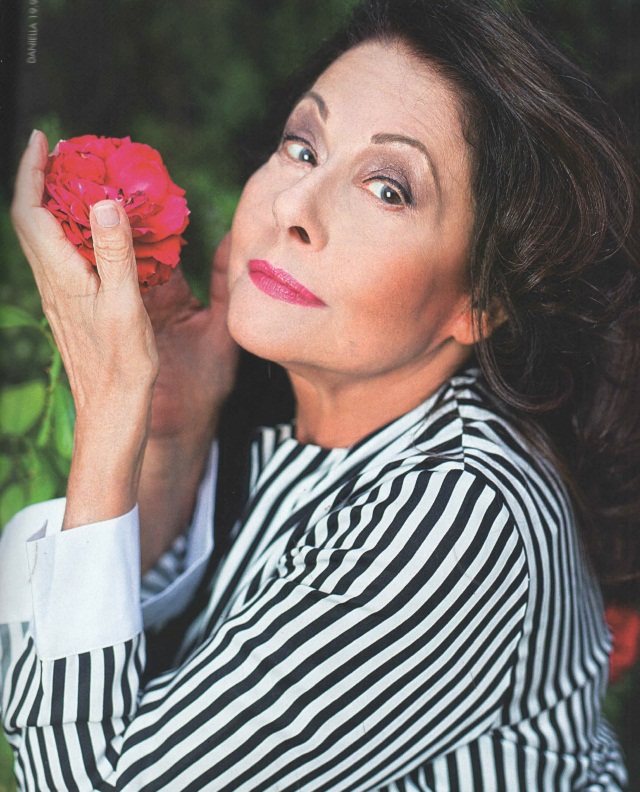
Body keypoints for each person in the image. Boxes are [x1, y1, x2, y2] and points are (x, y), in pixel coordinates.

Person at [1, 0, 639, 788]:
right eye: (302, 148)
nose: (294, 207)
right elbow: (112, 691)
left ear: (482, 301)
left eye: (388, 190)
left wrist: (107, 408)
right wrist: (169, 435)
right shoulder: (299, 438)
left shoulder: (462, 513)